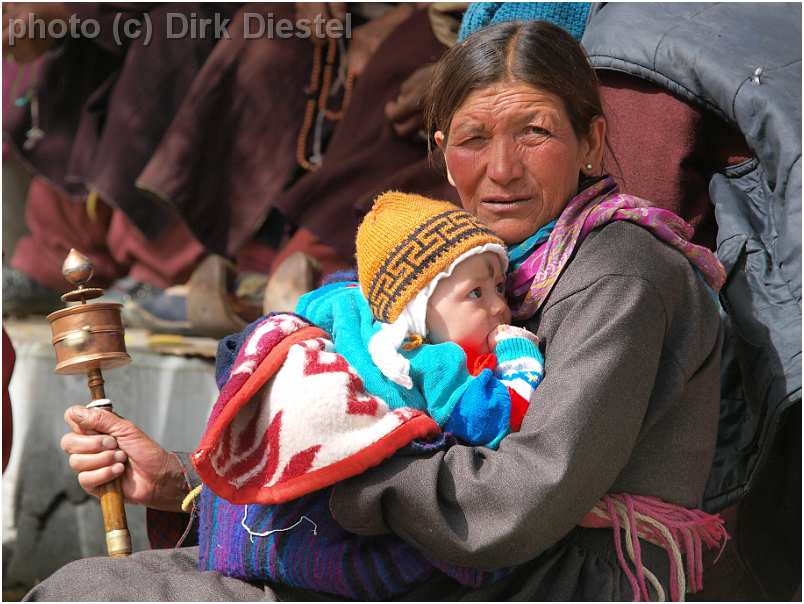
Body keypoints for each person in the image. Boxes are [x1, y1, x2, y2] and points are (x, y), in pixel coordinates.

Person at [34, 20, 727, 601]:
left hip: (549, 577)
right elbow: (372, 419)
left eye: (536, 133)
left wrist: (334, 476)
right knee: (85, 587)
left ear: (593, 143)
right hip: (430, 555)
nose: (504, 169)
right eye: (473, 138)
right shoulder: (460, 271)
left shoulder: (620, 275)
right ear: (441, 157)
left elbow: (517, 501)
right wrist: (180, 478)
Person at [191, 192, 546, 600]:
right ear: (417, 306)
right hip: (352, 521)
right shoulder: (433, 363)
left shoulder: (350, 319)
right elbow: (493, 417)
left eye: (500, 287)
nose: (501, 307)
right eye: (476, 294)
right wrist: (520, 360)